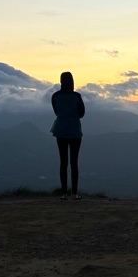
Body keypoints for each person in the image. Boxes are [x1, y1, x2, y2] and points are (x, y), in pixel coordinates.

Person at [50, 71, 85, 199]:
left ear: (61, 81)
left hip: (61, 131)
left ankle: (64, 193)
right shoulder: (77, 96)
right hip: (75, 131)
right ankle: (75, 193)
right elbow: (82, 113)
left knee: (63, 162)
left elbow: (56, 111)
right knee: (74, 162)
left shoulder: (55, 96)